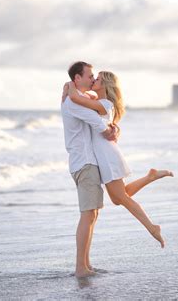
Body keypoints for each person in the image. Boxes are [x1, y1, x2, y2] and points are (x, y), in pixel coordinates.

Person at [65, 70, 174, 251]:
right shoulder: (98, 102)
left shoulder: (104, 103)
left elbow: (77, 99)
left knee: (121, 197)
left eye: (97, 79)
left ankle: (152, 227)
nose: (93, 80)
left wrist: (69, 86)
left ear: (106, 85)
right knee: (118, 198)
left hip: (107, 156)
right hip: (104, 155)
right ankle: (150, 176)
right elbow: (83, 100)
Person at [61, 61, 119, 278]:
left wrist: (113, 128)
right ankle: (80, 268)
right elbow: (95, 121)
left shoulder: (77, 97)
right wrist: (109, 131)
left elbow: (94, 104)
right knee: (87, 215)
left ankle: (86, 263)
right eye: (89, 75)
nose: (92, 79)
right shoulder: (73, 102)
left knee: (92, 214)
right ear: (78, 78)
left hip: (85, 162)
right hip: (84, 163)